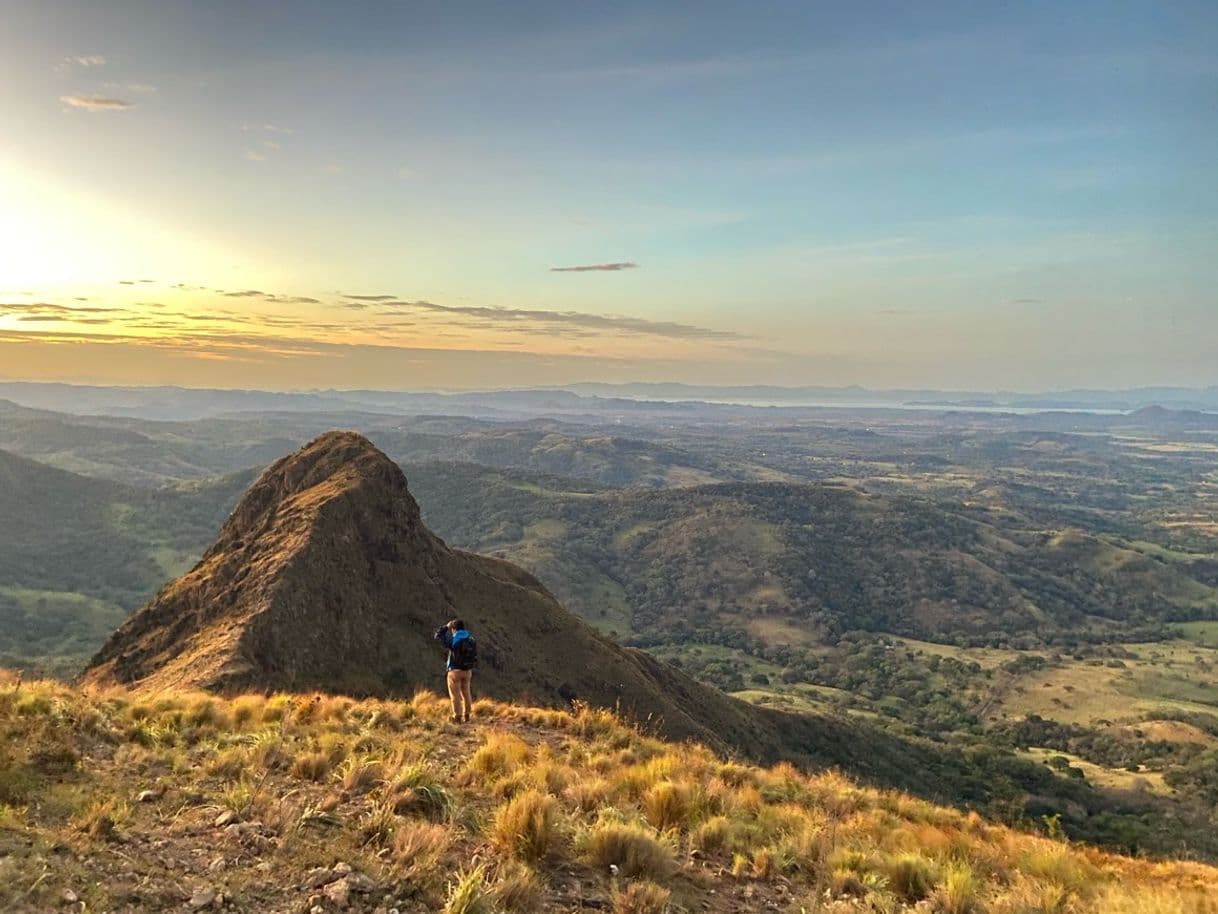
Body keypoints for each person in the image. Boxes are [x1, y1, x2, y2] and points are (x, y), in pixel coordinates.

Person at [434, 617, 477, 723]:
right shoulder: (471, 639)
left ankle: (457, 716)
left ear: (454, 628)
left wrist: (446, 627)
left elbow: (438, 636)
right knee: (466, 693)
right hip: (467, 670)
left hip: (455, 670)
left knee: (455, 695)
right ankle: (467, 715)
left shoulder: (455, 640)